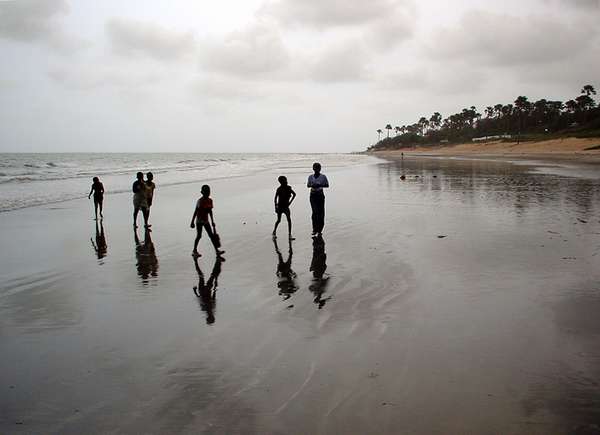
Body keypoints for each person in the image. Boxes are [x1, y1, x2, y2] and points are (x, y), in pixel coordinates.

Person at [190, 184, 225, 257]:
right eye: (206, 192)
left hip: (206, 220)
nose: (208, 193)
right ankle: (194, 251)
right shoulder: (200, 201)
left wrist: (212, 221)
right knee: (199, 236)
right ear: (203, 193)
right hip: (199, 221)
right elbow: (196, 211)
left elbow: (210, 211)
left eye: (209, 192)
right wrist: (192, 221)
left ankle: (217, 251)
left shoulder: (210, 200)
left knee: (211, 236)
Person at [307, 162, 329, 236]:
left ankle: (320, 230)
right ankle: (314, 229)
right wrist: (312, 185)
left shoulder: (323, 176)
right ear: (313, 168)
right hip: (313, 195)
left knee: (321, 212)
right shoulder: (310, 176)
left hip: (320, 194)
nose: (316, 169)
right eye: (315, 168)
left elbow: (327, 185)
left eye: (318, 168)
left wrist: (319, 184)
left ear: (320, 169)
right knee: (314, 212)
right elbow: (308, 185)